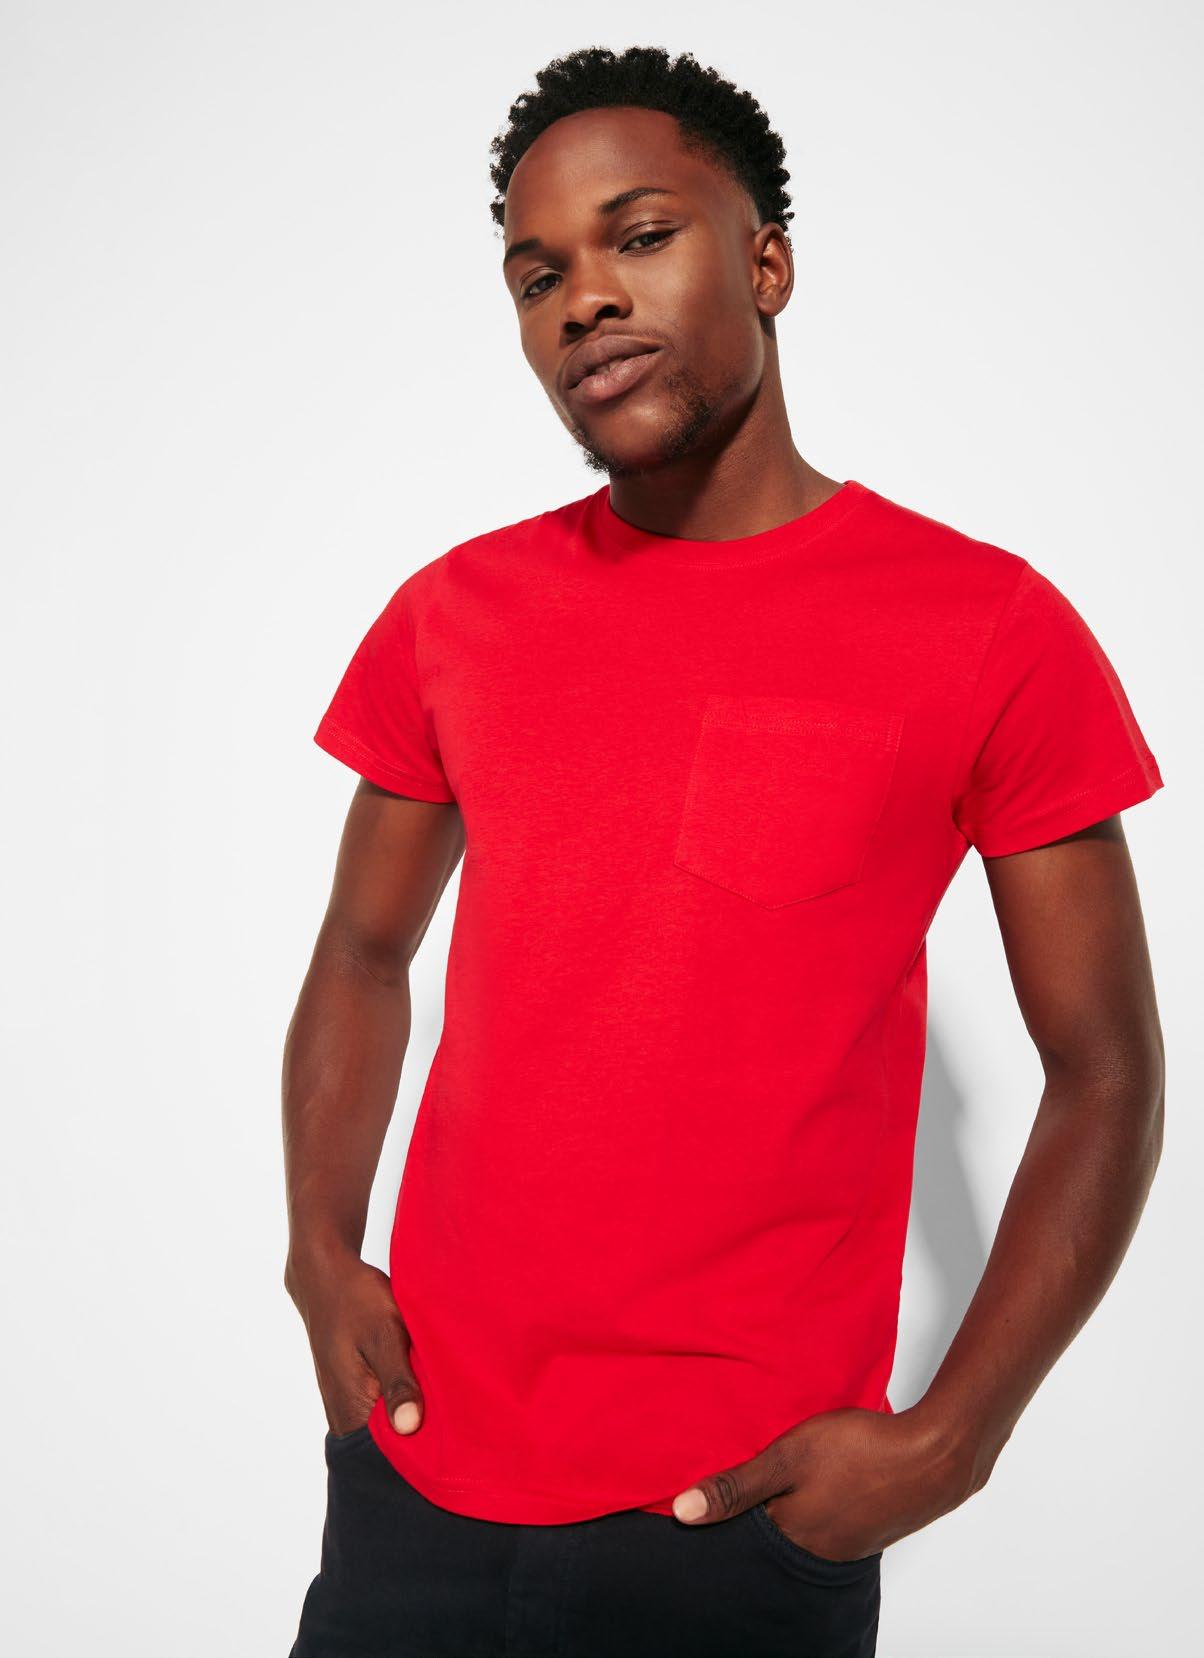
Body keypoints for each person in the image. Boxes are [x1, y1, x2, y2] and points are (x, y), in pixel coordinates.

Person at [282, 44, 1166, 1658]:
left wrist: (953, 1437)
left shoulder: (988, 628)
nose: (584, 300)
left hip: (740, 1516)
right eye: (537, 274)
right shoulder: (453, 617)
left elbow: (1104, 1069)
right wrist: (319, 1253)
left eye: (640, 235)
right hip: (417, 1469)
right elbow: (361, 951)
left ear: (766, 264)